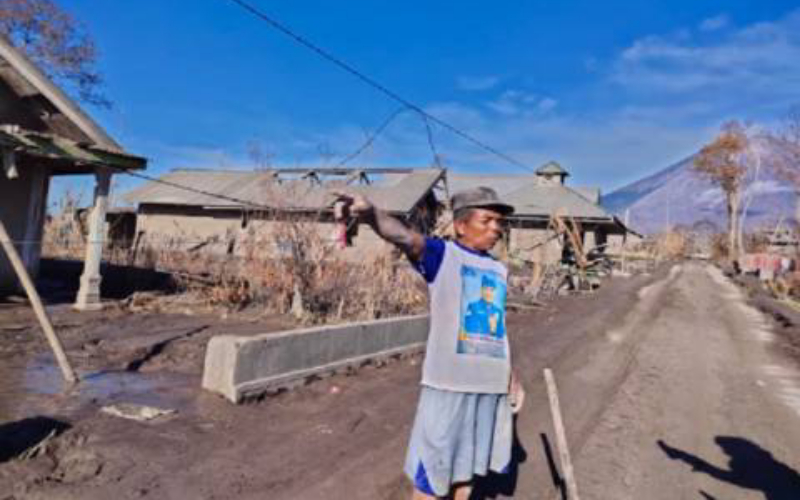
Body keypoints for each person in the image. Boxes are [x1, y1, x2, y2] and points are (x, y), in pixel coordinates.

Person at [333, 186, 524, 499]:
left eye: (499, 223)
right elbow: (406, 237)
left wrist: (510, 376)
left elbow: (497, 329)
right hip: (448, 385)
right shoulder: (443, 257)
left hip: (489, 386)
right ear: (461, 225)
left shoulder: (498, 270)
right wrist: (370, 214)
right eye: (487, 220)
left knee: (468, 471)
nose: (496, 229)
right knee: (431, 475)